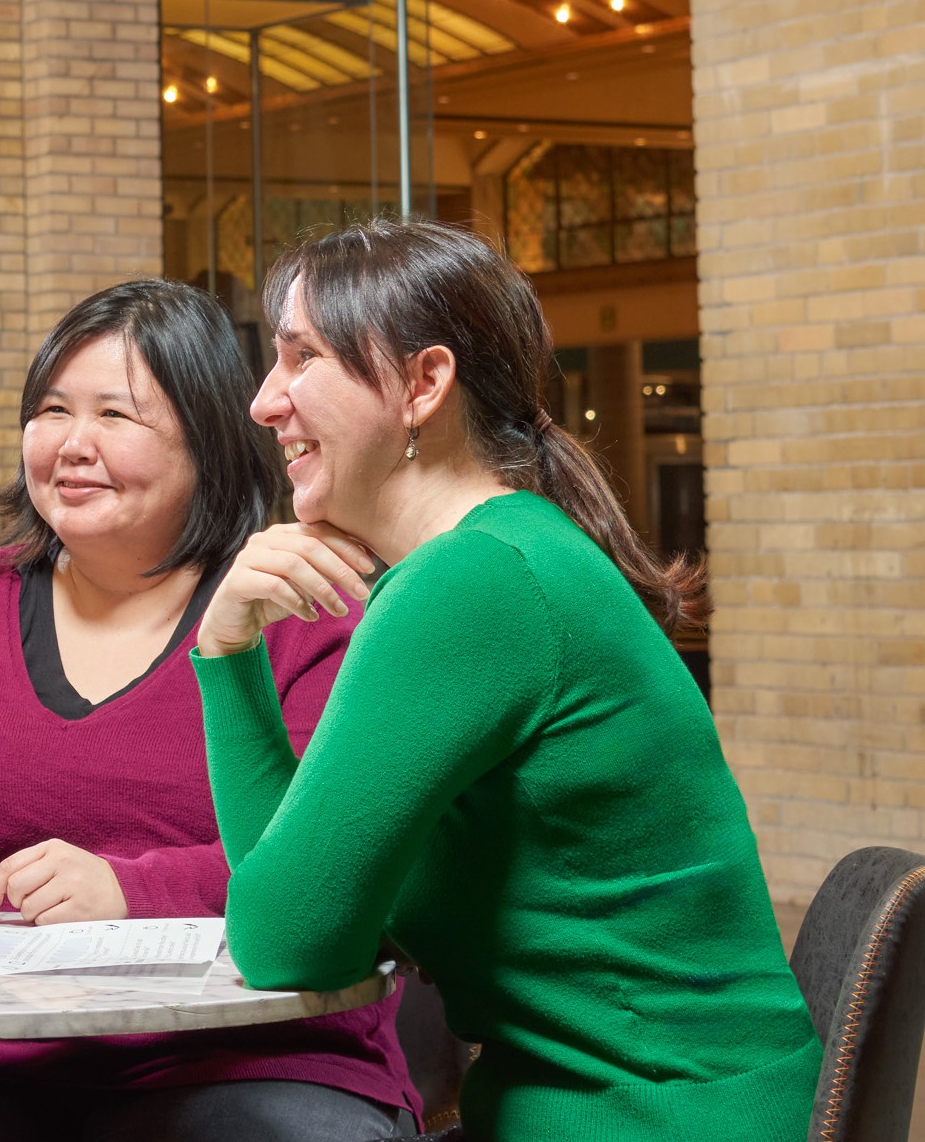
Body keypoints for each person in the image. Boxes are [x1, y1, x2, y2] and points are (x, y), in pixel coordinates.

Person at [195, 218, 822, 1140]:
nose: (263, 401)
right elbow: (305, 919)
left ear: (423, 384)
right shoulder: (505, 555)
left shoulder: (470, 583)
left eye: (301, 358)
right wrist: (231, 648)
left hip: (653, 1116)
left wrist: (222, 657)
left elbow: (282, 938)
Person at [0, 279, 418, 1142]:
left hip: (253, 1059)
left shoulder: (301, 610)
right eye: (52, 410)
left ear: (206, 440)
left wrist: (129, 888)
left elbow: (339, 867)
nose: (73, 445)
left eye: (116, 417)